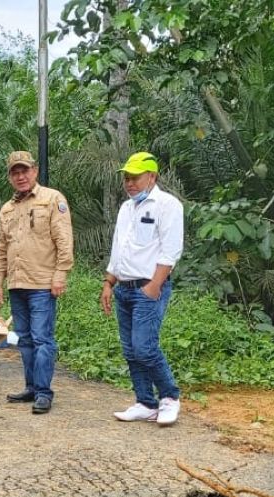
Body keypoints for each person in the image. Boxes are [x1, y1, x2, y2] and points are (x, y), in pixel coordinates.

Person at [100, 152, 183, 427]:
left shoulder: (167, 205)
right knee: (130, 349)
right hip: (123, 287)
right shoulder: (126, 208)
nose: (129, 183)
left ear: (152, 177)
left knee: (145, 347)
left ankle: (169, 397)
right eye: (126, 178)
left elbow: (171, 251)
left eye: (135, 177)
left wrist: (154, 286)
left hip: (148, 287)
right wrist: (108, 282)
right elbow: (118, 249)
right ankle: (145, 401)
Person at [0, 151, 74, 415]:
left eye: (24, 170)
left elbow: (64, 240)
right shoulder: (7, 209)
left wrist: (61, 274)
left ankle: (43, 392)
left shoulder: (52, 199)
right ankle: (31, 387)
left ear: (35, 171)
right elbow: (2, 248)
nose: (21, 176)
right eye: (15, 172)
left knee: (42, 339)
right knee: (24, 340)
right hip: (17, 284)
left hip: (42, 283)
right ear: (9, 177)